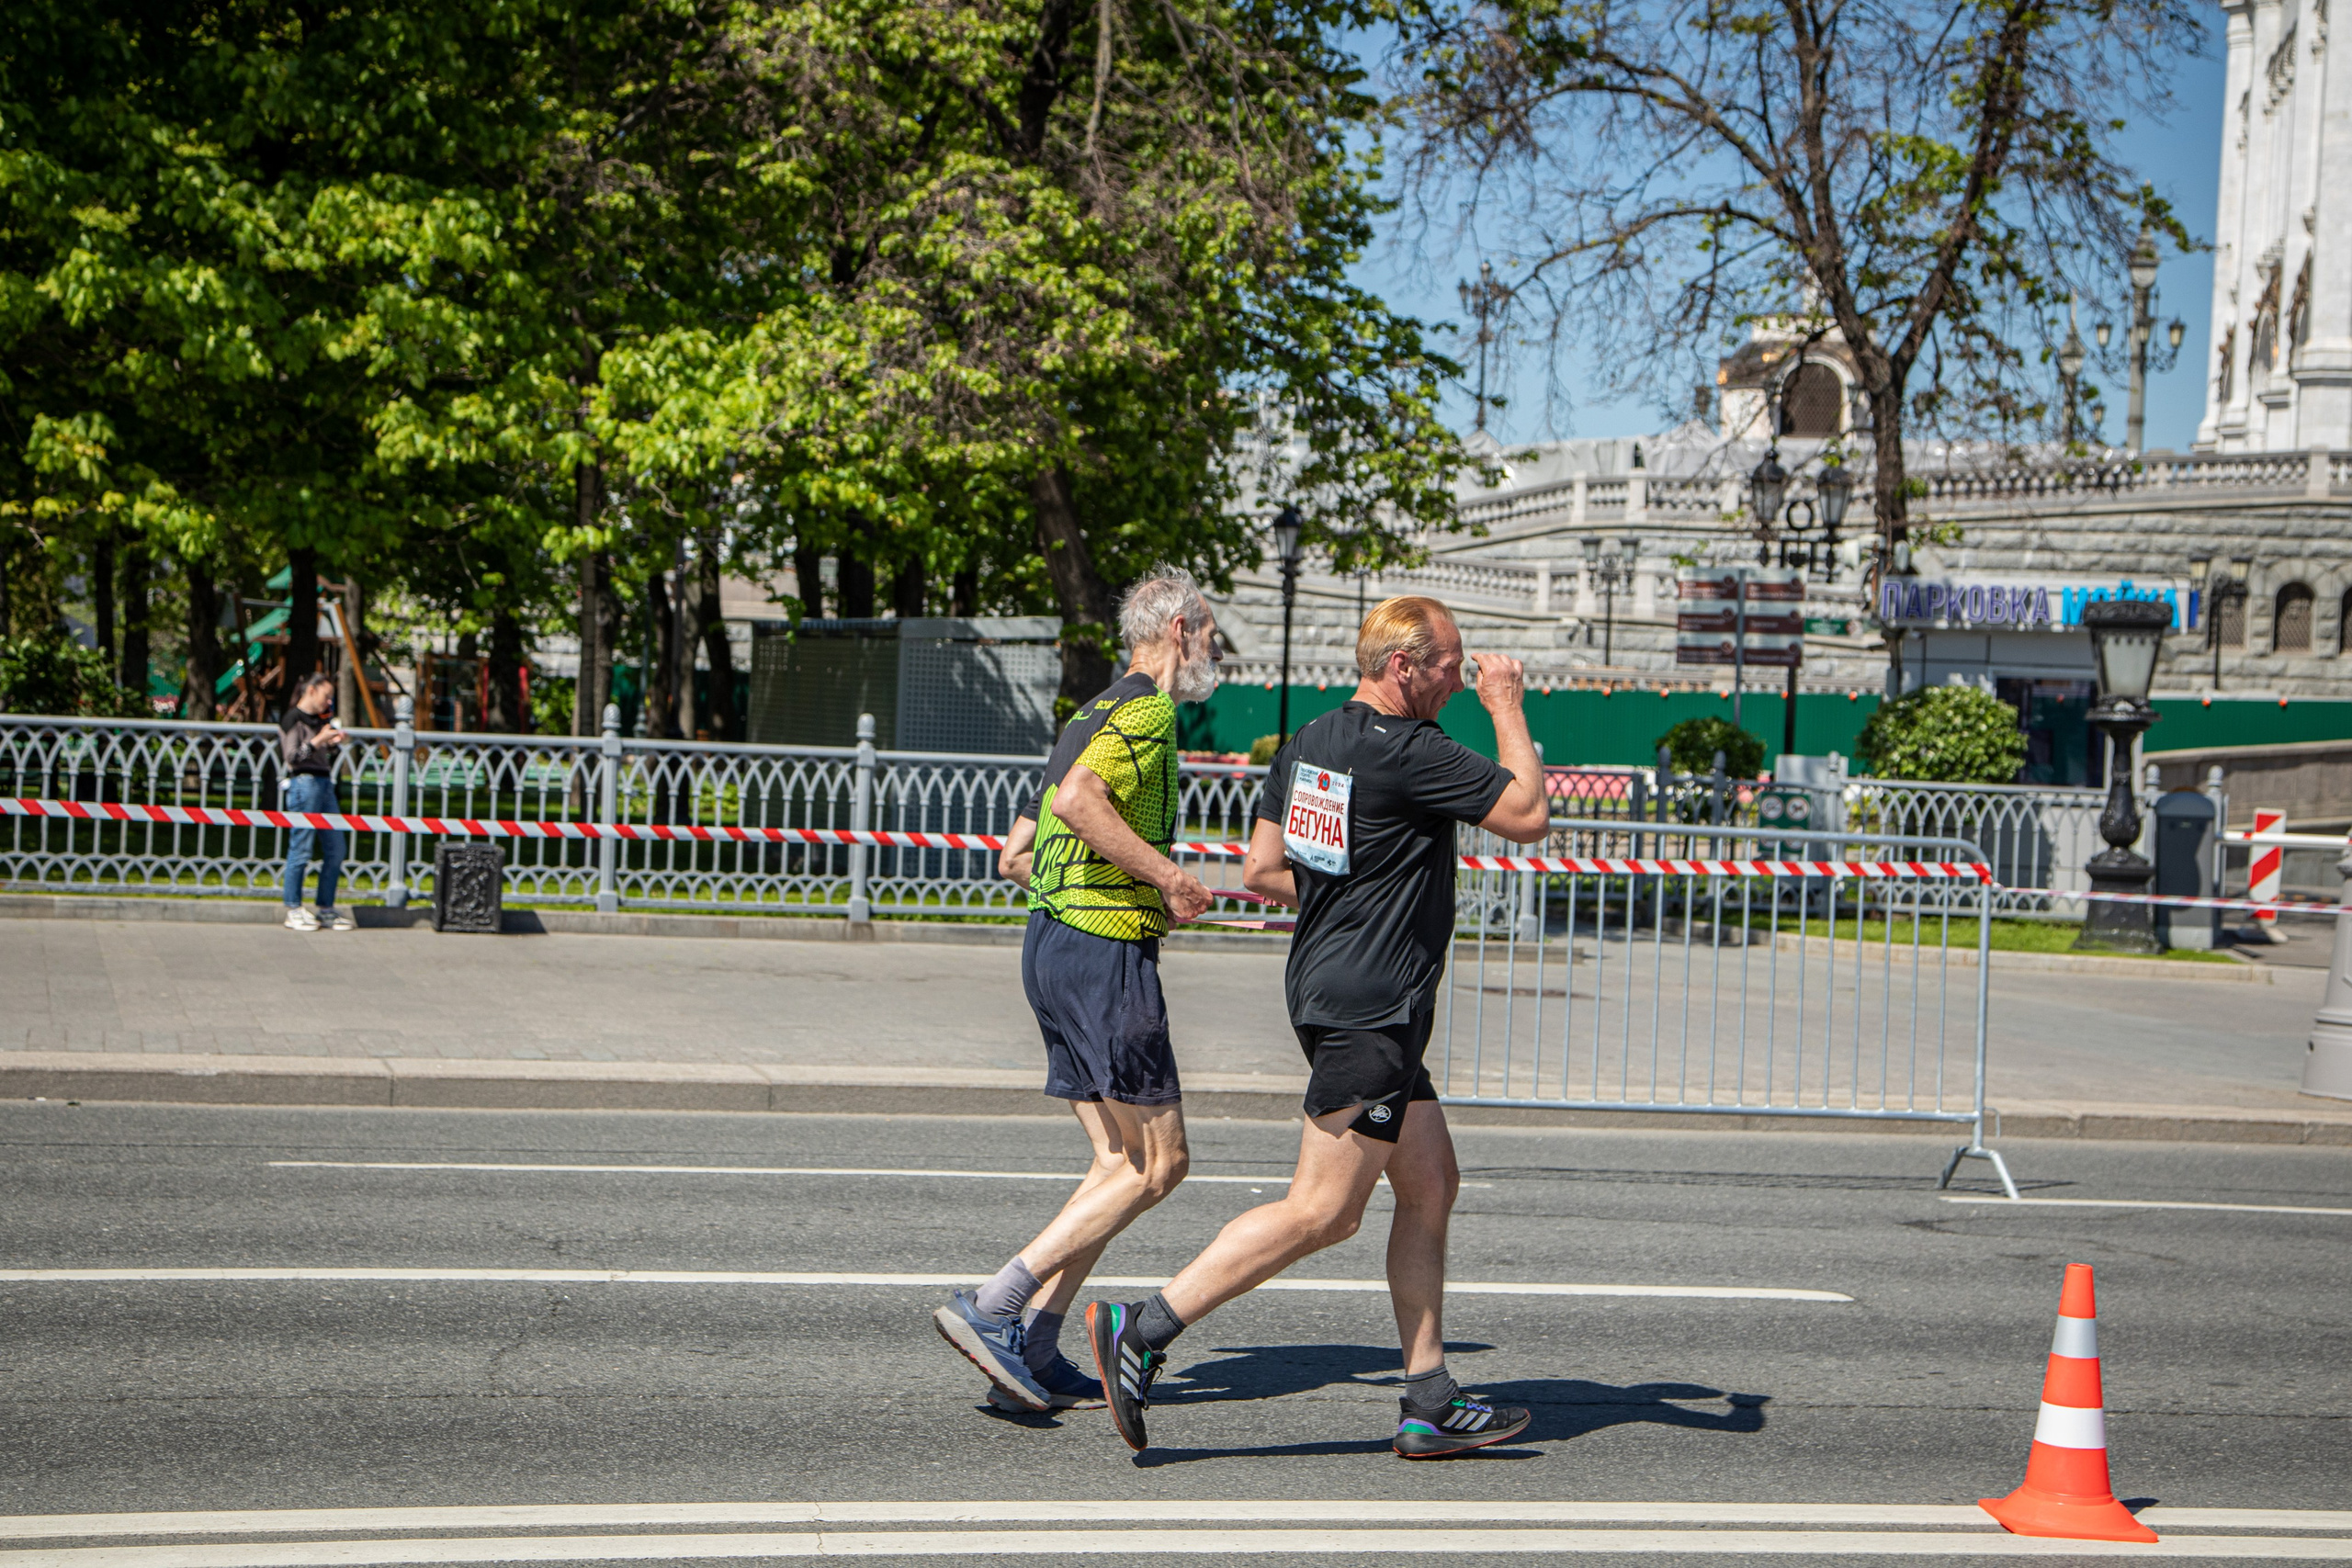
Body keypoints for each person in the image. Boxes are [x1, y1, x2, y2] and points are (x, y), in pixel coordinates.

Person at [1084, 594, 1552, 1458]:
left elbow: (1265, 869)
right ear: (1403, 667)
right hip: (1374, 1008)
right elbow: (1526, 814)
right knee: (1324, 1210)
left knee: (1430, 1183)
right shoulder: (1414, 749)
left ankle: (1429, 1397)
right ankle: (1142, 1327)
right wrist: (1508, 708)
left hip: (1334, 990)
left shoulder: (1310, 742)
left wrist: (1355, 899)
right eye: (1449, 664)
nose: (1461, 676)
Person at [933, 566, 1222, 1413]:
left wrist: (1122, 887)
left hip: (1050, 945)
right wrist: (1167, 878)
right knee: (1162, 1162)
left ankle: (1040, 1339)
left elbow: (1016, 853)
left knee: (1116, 1160)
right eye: (1208, 633)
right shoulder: (1145, 709)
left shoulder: (1086, 714)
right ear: (1178, 630)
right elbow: (1080, 800)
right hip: (1102, 956)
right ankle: (996, 1306)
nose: (1212, 649)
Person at [278, 671, 353, 931]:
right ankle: (293, 907)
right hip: (303, 783)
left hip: (324, 783)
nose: (328, 702)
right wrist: (318, 740)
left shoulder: (321, 719)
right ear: (311, 690)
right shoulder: (292, 719)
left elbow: (323, 751)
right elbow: (292, 757)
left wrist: (332, 742)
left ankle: (325, 908)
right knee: (301, 846)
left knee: (336, 847)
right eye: (326, 695)